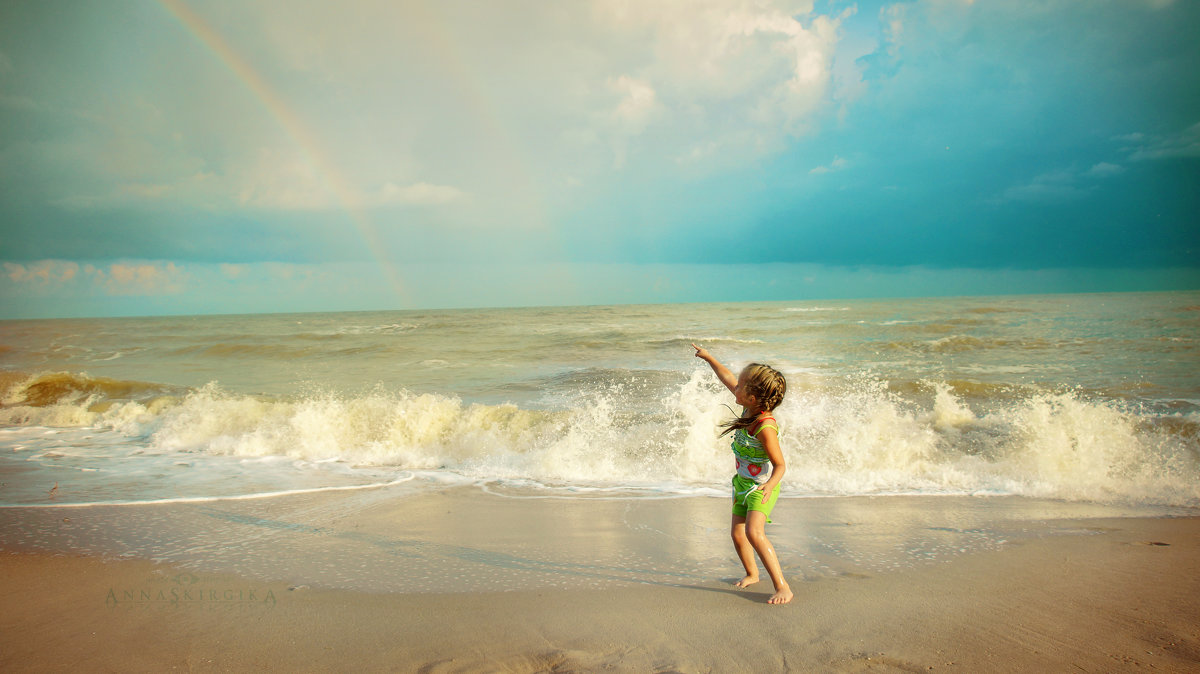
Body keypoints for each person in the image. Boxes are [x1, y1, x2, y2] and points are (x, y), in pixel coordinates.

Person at [692, 343, 793, 605]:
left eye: (741, 385)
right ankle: (752, 573)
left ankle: (783, 586)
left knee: (754, 533)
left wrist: (770, 486)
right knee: (737, 534)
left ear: (752, 397)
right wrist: (709, 358)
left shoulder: (764, 426)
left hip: (761, 488)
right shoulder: (749, 407)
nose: (735, 386)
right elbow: (726, 376)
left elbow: (780, 464)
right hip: (741, 483)